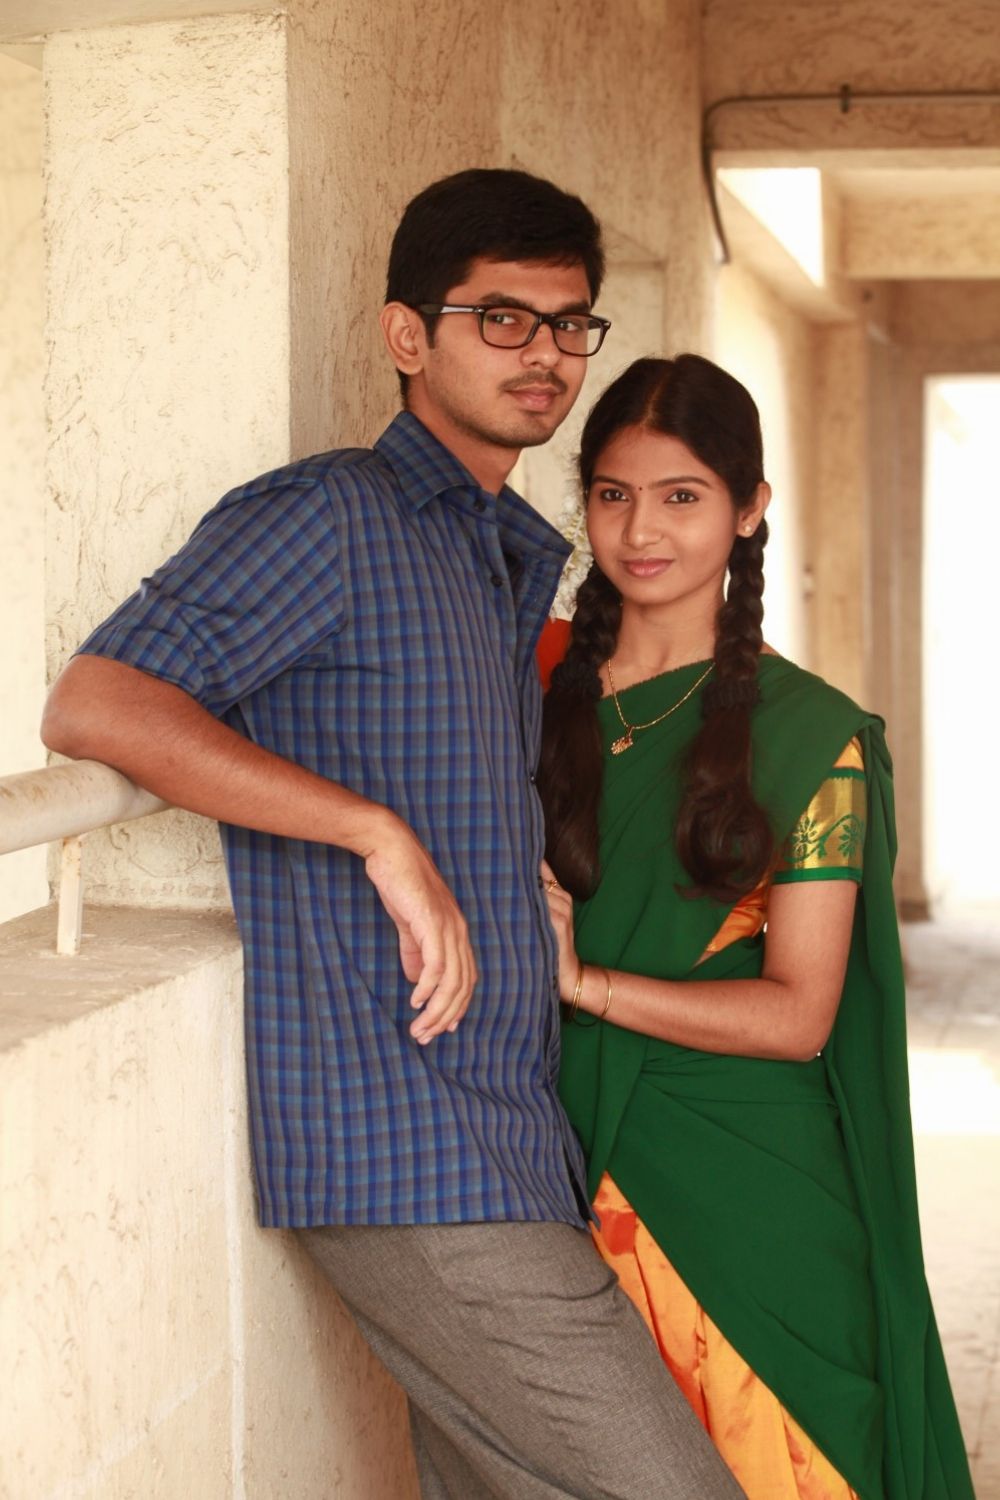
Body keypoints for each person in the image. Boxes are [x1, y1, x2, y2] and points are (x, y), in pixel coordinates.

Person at [41, 173, 745, 1499]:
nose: (544, 353)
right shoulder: (332, 516)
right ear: (407, 336)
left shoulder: (501, 553)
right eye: (501, 317)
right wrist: (374, 833)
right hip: (406, 1137)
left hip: (508, 1124)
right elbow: (98, 703)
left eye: (567, 324)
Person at [537, 353, 975, 1500]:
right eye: (613, 494)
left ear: (748, 508)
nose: (641, 530)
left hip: (751, 1184)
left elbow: (797, 1014)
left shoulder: (813, 736)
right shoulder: (528, 683)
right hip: (547, 1159)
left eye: (681, 495)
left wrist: (585, 985)